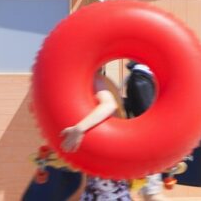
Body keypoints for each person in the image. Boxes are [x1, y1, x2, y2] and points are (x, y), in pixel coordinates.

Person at [58, 70, 133, 201]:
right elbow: (86, 185)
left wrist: (79, 129)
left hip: (110, 167)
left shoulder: (95, 80)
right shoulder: (84, 87)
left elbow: (109, 105)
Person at [124, 62, 166, 201]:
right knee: (148, 194)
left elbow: (145, 112)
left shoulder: (139, 78)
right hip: (146, 146)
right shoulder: (146, 76)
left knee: (152, 194)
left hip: (146, 146)